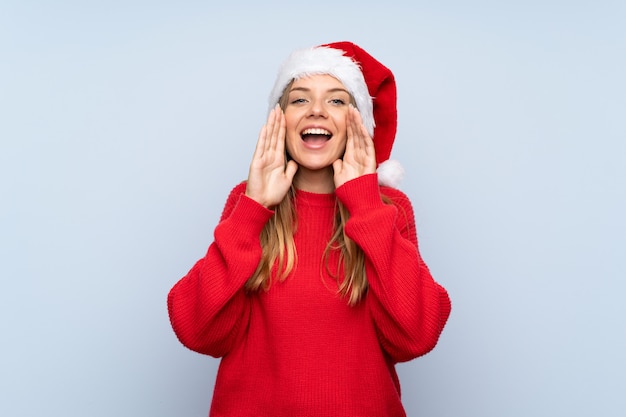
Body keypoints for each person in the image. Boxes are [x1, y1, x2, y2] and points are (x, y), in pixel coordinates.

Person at [167, 41, 451, 417]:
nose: (317, 110)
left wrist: (364, 203)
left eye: (336, 100)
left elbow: (416, 336)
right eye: (300, 100)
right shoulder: (247, 204)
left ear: (359, 122)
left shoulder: (388, 210)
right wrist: (253, 210)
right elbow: (196, 330)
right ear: (279, 120)